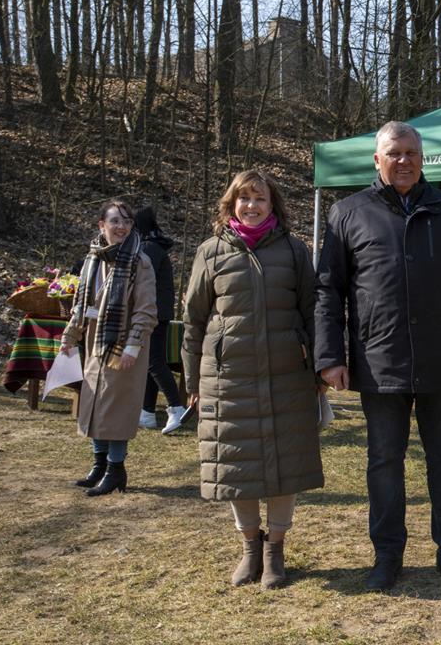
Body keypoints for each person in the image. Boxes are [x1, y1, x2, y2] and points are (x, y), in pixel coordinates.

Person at [315, 120, 441, 592]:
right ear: (377, 159)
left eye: (411, 153)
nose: (403, 161)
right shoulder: (348, 213)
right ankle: (387, 554)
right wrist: (330, 355)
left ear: (422, 158)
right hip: (379, 360)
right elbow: (328, 292)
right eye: (394, 153)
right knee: (383, 461)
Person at [182, 169, 325, 590]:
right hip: (229, 377)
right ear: (232, 204)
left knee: (286, 463)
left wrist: (319, 367)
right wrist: (192, 381)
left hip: (287, 374)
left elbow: (313, 311)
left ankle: (275, 549)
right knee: (236, 464)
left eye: (260, 198)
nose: (252, 205)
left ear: (272, 204)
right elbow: (193, 320)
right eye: (244, 198)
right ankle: (250, 548)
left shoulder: (294, 251)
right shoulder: (210, 252)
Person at [61, 200, 158, 497]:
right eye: (115, 221)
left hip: (124, 347)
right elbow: (81, 305)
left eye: (127, 222)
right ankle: (99, 465)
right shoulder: (93, 259)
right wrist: (70, 335)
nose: (121, 227)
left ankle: (116, 470)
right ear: (101, 225)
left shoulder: (140, 262)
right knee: (94, 405)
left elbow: (146, 310)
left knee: (116, 408)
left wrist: (133, 346)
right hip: (95, 343)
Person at [134, 205, 185, 434]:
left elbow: (139, 278)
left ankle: (176, 407)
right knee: (149, 362)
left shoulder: (148, 248)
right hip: (158, 311)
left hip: (153, 312)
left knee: (154, 361)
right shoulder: (153, 245)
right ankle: (146, 412)